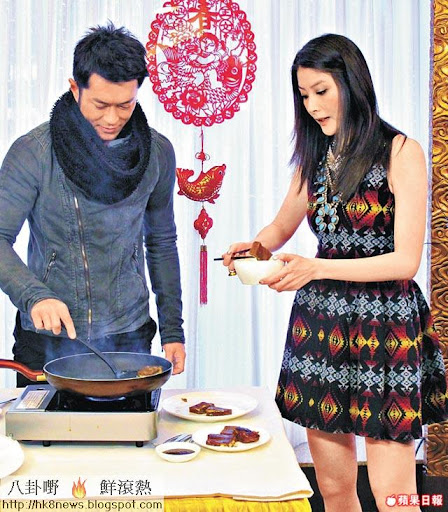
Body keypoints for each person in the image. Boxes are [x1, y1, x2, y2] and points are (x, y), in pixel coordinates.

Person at [222, 34, 447, 512]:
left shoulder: (400, 151)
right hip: (321, 324)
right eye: (304, 95)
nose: (312, 106)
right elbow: (281, 226)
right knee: (334, 488)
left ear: (352, 83)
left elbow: (405, 261)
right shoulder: (315, 156)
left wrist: (315, 267)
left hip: (384, 326)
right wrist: (254, 247)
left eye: (321, 91)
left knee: (394, 496)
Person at [0, 23, 186, 386]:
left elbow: (162, 242)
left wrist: (172, 330)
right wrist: (34, 297)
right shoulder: (33, 152)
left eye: (125, 105)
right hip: (48, 338)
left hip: (129, 335)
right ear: (75, 88)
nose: (112, 119)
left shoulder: (157, 153)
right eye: (100, 105)